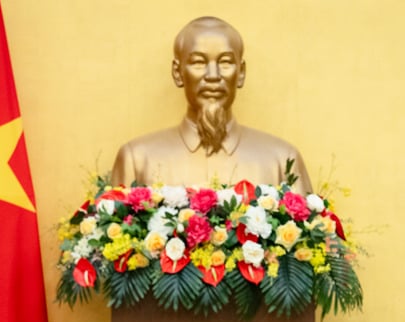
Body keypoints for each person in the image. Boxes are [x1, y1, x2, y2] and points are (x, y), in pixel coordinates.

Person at [110, 16, 312, 192]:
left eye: (225, 62)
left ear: (240, 73)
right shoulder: (136, 159)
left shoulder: (282, 161)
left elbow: (313, 234)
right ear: (178, 72)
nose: (213, 76)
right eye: (198, 62)